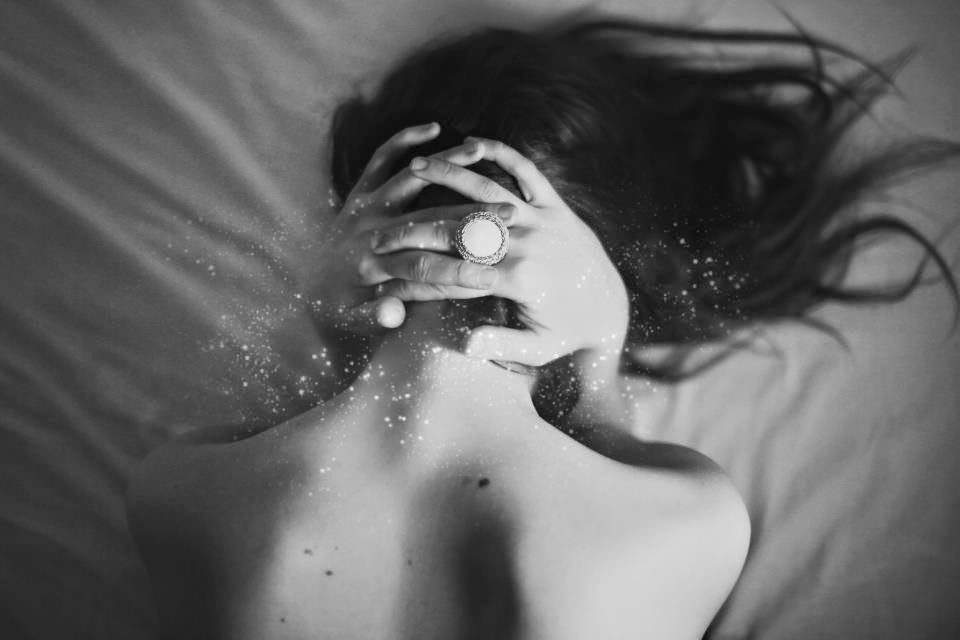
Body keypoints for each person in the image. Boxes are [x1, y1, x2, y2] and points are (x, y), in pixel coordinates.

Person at [126, 14, 956, 640]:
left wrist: (335, 334)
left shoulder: (179, 491)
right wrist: (599, 353)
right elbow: (600, 437)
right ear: (600, 269)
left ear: (359, 214)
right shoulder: (683, 521)